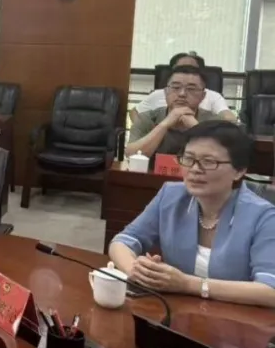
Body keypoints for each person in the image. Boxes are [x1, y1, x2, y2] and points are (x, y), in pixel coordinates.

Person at [109, 121, 275, 307]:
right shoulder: (171, 195)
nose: (195, 169)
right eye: (188, 159)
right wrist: (138, 272)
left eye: (208, 162)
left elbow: (270, 290)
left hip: (238, 318)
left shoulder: (264, 216)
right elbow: (123, 241)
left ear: (239, 171)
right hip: (175, 311)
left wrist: (188, 285)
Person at [126, 64, 222, 158]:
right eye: (176, 87)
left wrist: (197, 128)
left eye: (191, 89)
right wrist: (165, 124)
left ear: (203, 96)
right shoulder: (147, 118)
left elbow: (221, 157)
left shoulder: (215, 122)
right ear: (166, 92)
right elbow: (131, 155)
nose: (182, 94)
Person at [131, 52, 235, 123]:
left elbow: (230, 119)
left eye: (191, 68)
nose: (182, 94)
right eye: (181, 68)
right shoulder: (158, 94)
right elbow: (135, 111)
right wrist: (148, 131)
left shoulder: (213, 96)